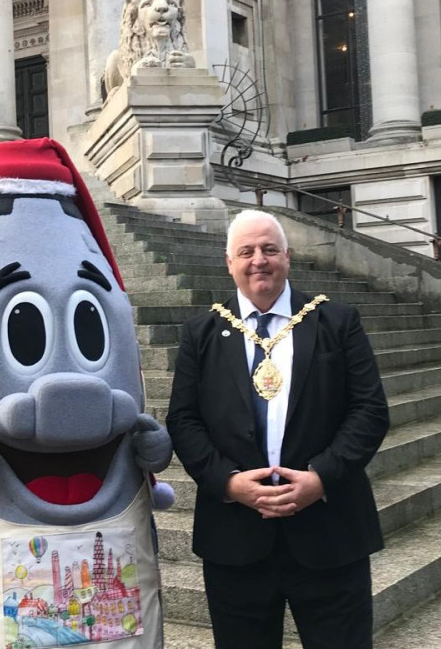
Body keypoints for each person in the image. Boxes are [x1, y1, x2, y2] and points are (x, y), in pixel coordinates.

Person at [166, 209, 389, 649]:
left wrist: (320, 477)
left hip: (329, 533)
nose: (259, 260)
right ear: (229, 262)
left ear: (287, 256)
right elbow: (183, 419)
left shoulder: (337, 321)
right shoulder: (201, 332)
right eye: (246, 251)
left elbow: (369, 411)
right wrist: (229, 483)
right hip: (235, 538)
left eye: (269, 249)